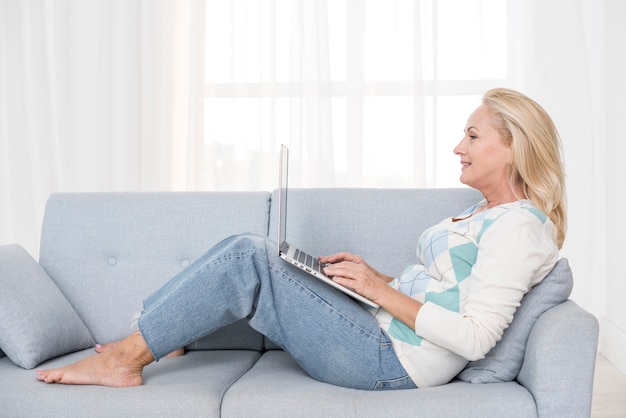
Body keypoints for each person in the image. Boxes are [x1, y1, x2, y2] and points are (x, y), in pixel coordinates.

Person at [36, 88, 566, 390]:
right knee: (253, 248)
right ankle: (162, 332)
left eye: (473, 136)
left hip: (389, 362)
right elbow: (443, 288)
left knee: (251, 255)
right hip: (375, 328)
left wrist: (379, 293)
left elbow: (476, 338)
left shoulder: (519, 227)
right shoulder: (485, 213)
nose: (458, 147)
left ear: (515, 148)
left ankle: (125, 358)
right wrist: (373, 279)